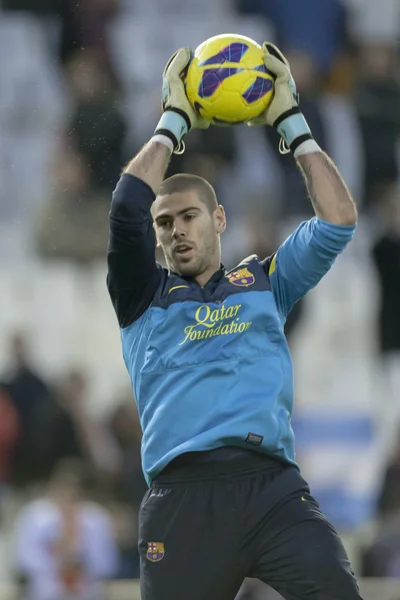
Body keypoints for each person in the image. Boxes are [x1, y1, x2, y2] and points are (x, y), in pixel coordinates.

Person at [107, 42, 361, 600]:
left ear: (219, 219)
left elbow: (339, 219)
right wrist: (173, 122)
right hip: (181, 495)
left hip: (270, 487)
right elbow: (125, 211)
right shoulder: (141, 296)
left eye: (189, 216)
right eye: (165, 222)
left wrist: (292, 122)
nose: (176, 230)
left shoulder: (267, 280)